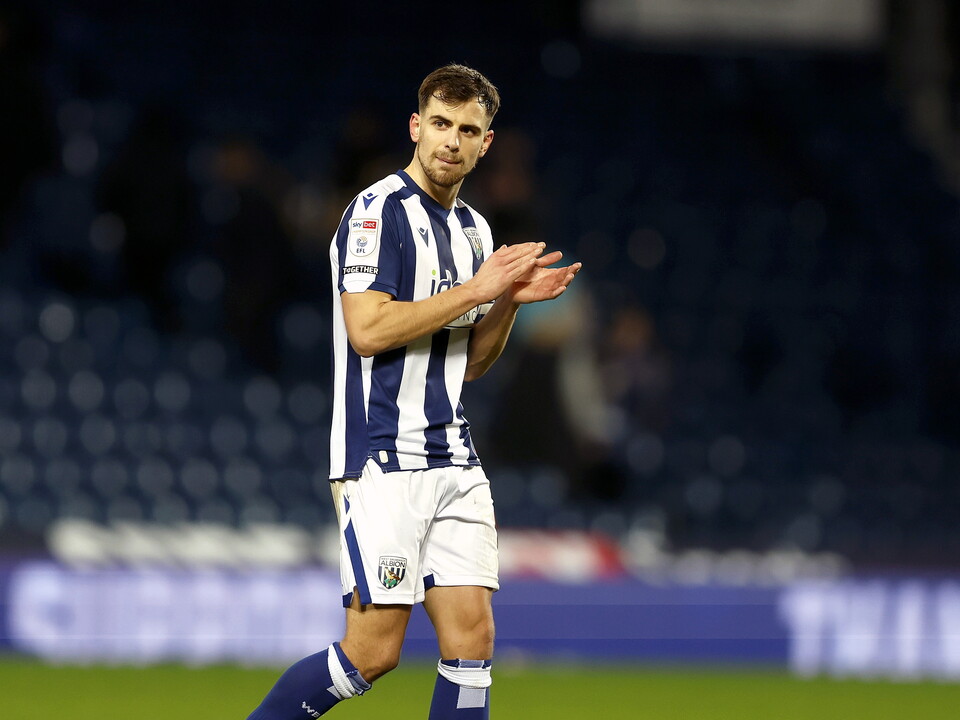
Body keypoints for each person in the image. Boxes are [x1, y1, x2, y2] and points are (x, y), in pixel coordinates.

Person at [247, 64, 580, 719]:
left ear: (487, 143)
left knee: (472, 640)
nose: (450, 141)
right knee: (371, 653)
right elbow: (367, 330)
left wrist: (506, 301)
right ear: (415, 126)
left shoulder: (477, 234)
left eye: (467, 130)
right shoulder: (375, 214)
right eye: (439, 124)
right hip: (382, 457)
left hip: (453, 457)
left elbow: (473, 364)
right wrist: (477, 292)